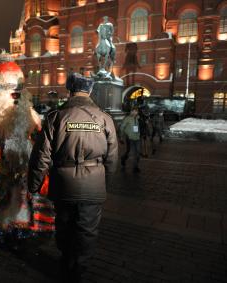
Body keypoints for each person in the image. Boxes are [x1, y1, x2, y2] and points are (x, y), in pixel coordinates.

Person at [28, 73, 118, 282]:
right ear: (90, 91)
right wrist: (105, 185)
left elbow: (40, 157)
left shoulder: (56, 117)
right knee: (87, 231)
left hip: (63, 185)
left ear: (69, 91)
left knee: (65, 224)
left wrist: (34, 185)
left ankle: (67, 262)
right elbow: (112, 158)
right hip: (93, 185)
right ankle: (78, 270)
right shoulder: (105, 118)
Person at [120, 107, 141, 173]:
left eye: (136, 111)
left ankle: (135, 166)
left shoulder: (139, 118)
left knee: (137, 152)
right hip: (130, 138)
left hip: (137, 137)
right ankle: (123, 159)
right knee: (130, 152)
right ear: (131, 111)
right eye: (133, 111)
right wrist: (121, 137)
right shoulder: (127, 118)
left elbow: (141, 127)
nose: (135, 112)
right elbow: (122, 127)